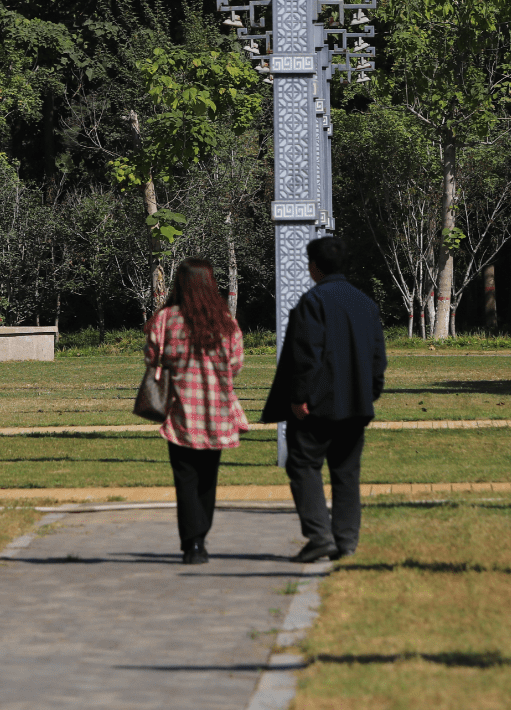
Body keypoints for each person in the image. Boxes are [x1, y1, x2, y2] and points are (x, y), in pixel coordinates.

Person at [261, 235, 387, 563]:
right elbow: (378, 356)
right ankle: (346, 540)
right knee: (346, 471)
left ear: (314, 266)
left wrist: (299, 397)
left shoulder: (313, 301)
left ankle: (319, 536)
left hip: (318, 404)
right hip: (356, 403)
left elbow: (306, 356)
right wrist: (371, 391)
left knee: (303, 463)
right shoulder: (366, 303)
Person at [145, 258, 247, 564]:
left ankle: (191, 543)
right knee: (207, 478)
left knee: (185, 479)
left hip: (180, 412)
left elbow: (152, 357)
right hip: (217, 411)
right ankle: (201, 536)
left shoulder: (166, 319)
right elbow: (236, 365)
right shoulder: (225, 321)